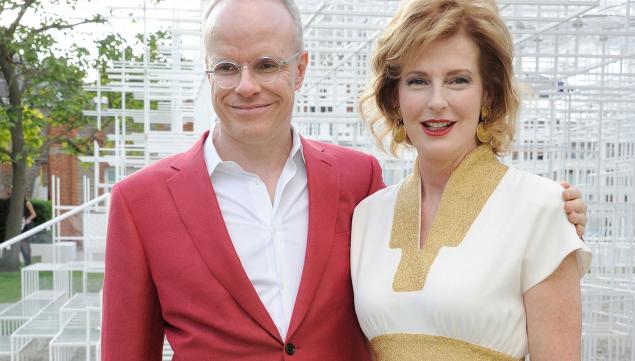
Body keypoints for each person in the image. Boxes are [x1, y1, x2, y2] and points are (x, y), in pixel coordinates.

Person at [101, 0, 589, 360]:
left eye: (267, 64)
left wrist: (551, 217)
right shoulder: (139, 202)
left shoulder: (357, 182)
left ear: (300, 69)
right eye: (227, 67)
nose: (246, 85)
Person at [351, 1, 592, 360]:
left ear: (488, 95)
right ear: (395, 98)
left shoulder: (542, 208)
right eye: (417, 81)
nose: (437, 101)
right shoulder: (367, 216)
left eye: (458, 80)